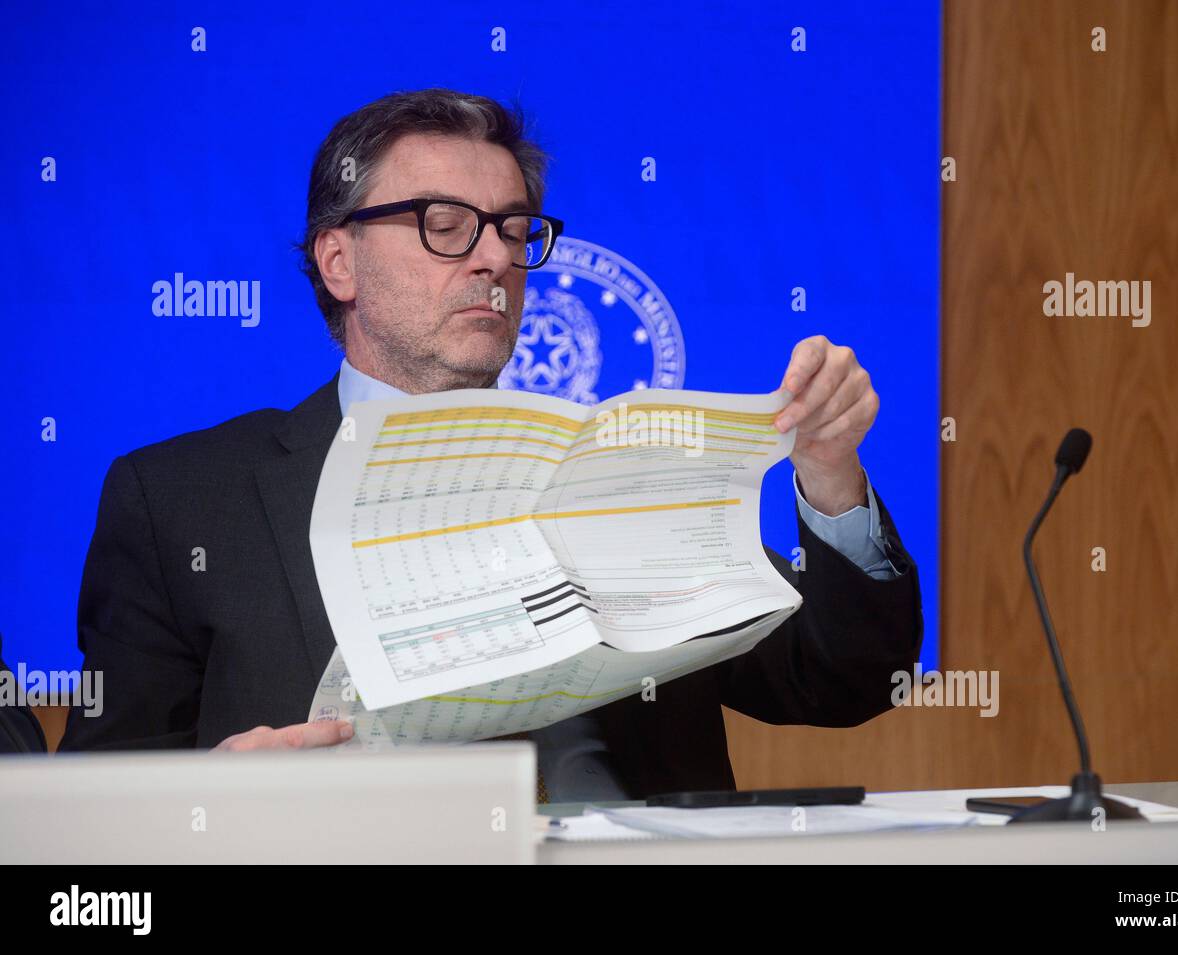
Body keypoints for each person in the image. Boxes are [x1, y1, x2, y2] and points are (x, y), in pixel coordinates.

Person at [60, 88, 922, 800]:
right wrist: (206, 801)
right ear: (339, 262)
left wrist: (829, 476)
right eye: (445, 223)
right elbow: (91, 820)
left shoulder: (620, 468)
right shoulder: (181, 499)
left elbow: (848, 678)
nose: (493, 260)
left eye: (513, 230)